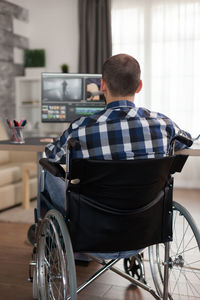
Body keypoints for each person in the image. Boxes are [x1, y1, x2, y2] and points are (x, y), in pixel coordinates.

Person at [43, 53, 191, 259]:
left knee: (46, 170)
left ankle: (59, 239)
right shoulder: (164, 124)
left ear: (102, 85)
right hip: (145, 232)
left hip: (94, 234)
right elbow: (186, 142)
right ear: (139, 86)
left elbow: (51, 155)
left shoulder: (80, 129)